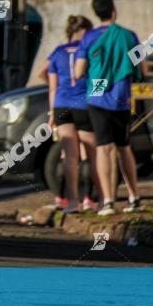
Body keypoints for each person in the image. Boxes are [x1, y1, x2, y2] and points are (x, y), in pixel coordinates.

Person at [74, 0, 143, 216]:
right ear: (113, 10)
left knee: (103, 148)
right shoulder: (129, 35)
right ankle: (134, 196)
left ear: (96, 13)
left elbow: (78, 71)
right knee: (124, 147)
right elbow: (141, 70)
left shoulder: (88, 38)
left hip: (96, 96)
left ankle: (109, 202)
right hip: (121, 97)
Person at [47, 15, 100, 213]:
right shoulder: (87, 51)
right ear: (85, 32)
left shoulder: (56, 53)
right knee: (90, 154)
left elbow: (52, 88)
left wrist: (52, 113)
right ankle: (90, 198)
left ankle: (70, 201)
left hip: (61, 105)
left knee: (69, 156)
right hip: (83, 106)